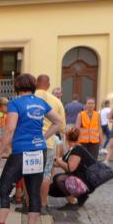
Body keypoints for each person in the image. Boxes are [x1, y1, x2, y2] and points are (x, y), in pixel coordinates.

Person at [0, 74, 63, 224]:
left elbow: (10, 129)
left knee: (3, 190)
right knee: (33, 192)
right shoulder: (41, 102)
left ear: (16, 86)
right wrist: (43, 137)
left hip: (20, 152)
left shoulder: (15, 103)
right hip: (39, 151)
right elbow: (58, 121)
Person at [35, 74, 66, 216]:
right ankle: (43, 205)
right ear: (48, 85)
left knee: (28, 173)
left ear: (36, 83)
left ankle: (29, 205)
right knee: (46, 174)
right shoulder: (57, 101)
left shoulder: (29, 97)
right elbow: (62, 127)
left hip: (30, 143)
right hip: (48, 143)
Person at [50, 127, 98, 210]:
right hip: (83, 180)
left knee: (58, 179)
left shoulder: (77, 150)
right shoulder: (73, 149)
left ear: (66, 138)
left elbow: (70, 168)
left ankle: (73, 201)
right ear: (79, 137)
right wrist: (51, 161)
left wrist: (58, 160)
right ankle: (80, 197)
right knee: (51, 189)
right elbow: (58, 163)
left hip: (86, 182)